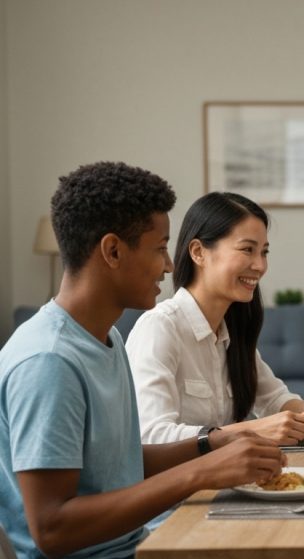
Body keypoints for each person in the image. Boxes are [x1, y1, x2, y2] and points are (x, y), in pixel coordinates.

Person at [0, 162, 283, 558]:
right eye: (160, 248)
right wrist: (201, 472)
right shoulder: (49, 360)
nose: (169, 265)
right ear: (113, 251)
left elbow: (123, 462)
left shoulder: (106, 338)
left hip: (138, 545)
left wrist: (215, 441)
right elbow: (52, 528)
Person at [126, 192, 304, 445]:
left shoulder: (231, 331)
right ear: (198, 252)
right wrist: (251, 430)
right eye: (247, 249)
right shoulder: (160, 327)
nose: (260, 266)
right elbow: (150, 436)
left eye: (264, 252)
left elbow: (274, 399)